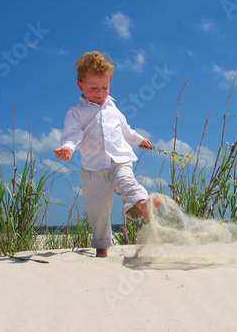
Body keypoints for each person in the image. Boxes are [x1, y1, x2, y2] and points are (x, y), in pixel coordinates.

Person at [54, 51, 161, 258]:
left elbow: (125, 129)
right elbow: (73, 133)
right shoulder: (76, 111)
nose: (100, 92)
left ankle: (143, 206)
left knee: (128, 184)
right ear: (81, 86)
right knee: (98, 211)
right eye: (93, 88)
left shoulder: (113, 107)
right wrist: (67, 148)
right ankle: (101, 251)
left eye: (105, 87)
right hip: (93, 169)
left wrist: (139, 140)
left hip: (119, 160)